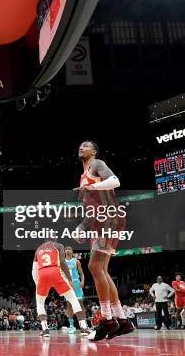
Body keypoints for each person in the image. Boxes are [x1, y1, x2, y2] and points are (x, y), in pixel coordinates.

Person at [73, 141, 134, 340]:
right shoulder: (83, 177)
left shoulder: (96, 164)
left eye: (86, 145)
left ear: (94, 151)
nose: (81, 148)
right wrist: (81, 227)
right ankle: (122, 320)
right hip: (100, 219)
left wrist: (93, 186)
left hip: (109, 217)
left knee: (94, 266)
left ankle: (107, 320)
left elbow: (115, 181)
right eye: (80, 146)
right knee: (101, 269)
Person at [31, 239, 88, 338]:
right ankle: (83, 327)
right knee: (73, 299)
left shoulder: (38, 249)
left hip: (42, 274)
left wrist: (37, 282)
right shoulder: (58, 245)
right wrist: (69, 279)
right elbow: (62, 262)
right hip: (55, 272)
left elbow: (34, 269)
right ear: (54, 240)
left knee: (40, 303)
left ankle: (45, 330)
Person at [64, 246, 90, 335]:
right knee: (69, 305)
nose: (68, 250)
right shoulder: (62, 262)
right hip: (67, 285)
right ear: (64, 251)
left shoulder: (76, 261)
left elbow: (82, 273)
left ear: (72, 251)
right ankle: (71, 325)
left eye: (69, 249)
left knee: (80, 304)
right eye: (66, 249)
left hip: (76, 284)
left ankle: (84, 323)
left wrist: (82, 281)